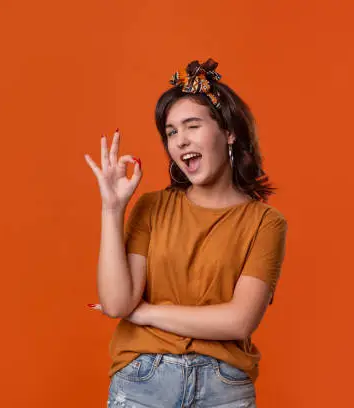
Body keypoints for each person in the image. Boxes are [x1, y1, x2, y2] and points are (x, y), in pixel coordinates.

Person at [84, 58, 288, 408]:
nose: (179, 141)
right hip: (144, 382)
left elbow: (239, 321)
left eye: (192, 126)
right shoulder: (152, 207)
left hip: (223, 389)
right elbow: (118, 302)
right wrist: (112, 208)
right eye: (171, 132)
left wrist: (146, 313)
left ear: (228, 132)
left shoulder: (265, 223)